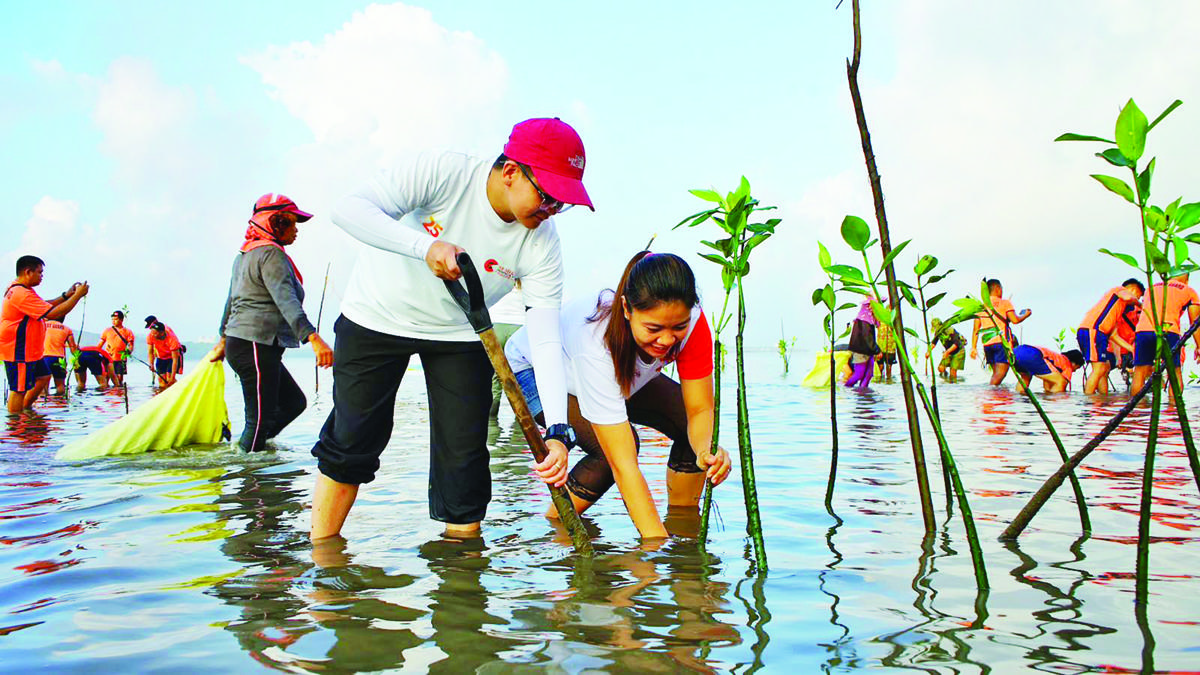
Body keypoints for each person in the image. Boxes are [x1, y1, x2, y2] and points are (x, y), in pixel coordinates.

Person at [310, 118, 593, 542]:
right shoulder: (445, 173)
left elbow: (546, 338)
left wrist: (557, 431)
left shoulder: (542, 242)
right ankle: (325, 560)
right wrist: (425, 247)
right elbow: (348, 210)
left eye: (562, 203)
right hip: (376, 315)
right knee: (353, 442)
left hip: (461, 333)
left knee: (465, 464)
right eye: (548, 196)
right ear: (512, 172)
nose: (552, 210)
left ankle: (460, 587)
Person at [505, 252, 732, 539]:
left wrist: (705, 453)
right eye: (653, 329)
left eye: (678, 327)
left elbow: (699, 410)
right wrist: (655, 550)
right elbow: (623, 464)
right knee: (608, 455)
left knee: (689, 426)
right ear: (626, 309)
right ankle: (557, 528)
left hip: (618, 377)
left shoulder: (694, 324)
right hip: (534, 370)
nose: (666, 340)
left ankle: (683, 523)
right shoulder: (594, 338)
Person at [212, 194, 334, 453]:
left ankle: (252, 451)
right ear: (275, 224)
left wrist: (223, 339)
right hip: (253, 343)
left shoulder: (245, 254)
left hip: (250, 345)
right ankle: (249, 480)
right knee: (258, 421)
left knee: (293, 403)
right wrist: (313, 338)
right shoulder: (269, 254)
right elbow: (286, 300)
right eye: (291, 223)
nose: (296, 230)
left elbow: (230, 300)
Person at [1, 255, 89, 413]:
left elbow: (43, 305)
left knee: (43, 377)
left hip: (30, 350)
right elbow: (53, 313)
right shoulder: (21, 293)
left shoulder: (23, 290)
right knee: (18, 389)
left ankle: (25, 410)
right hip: (18, 349)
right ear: (28, 272)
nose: (42, 276)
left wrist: (66, 296)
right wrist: (77, 295)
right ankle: (15, 425)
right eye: (40, 272)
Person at [1131, 272, 1200, 397]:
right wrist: (1199, 346)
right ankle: (1174, 409)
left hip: (1143, 331)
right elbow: (1195, 324)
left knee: (1139, 372)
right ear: (1187, 279)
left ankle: (1137, 412)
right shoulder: (1189, 291)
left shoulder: (1151, 288)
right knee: (1174, 372)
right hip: (1168, 331)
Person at [1077, 279, 1144, 394]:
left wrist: (1132, 349)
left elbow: (1114, 335)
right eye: (1138, 295)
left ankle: (1102, 399)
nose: (1136, 301)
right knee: (1098, 369)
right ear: (1133, 290)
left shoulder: (1116, 308)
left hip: (1099, 333)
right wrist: (1141, 305)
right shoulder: (1119, 290)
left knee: (1104, 367)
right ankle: (1088, 400)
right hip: (1094, 330)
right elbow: (1128, 298)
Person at [970, 278, 1031, 385]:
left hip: (987, 344)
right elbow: (1015, 320)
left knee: (996, 374)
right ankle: (990, 393)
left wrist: (974, 347)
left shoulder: (981, 307)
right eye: (1001, 289)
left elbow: (976, 329)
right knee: (1000, 374)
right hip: (1001, 342)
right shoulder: (1005, 303)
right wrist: (1026, 315)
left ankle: (995, 399)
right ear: (997, 289)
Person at [487, 283, 525, 418]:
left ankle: (490, 422)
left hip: (495, 328)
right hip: (520, 328)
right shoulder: (528, 284)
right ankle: (522, 424)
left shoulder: (499, 283)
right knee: (520, 376)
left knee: (495, 376)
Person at [1012, 344, 1084, 393]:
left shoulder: (1056, 358)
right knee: (1061, 381)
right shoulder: (1067, 365)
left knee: (1025, 377)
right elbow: (1062, 385)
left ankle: (1019, 400)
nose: (1074, 371)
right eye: (1076, 368)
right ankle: (1053, 407)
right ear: (1074, 363)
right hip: (1034, 354)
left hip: (1017, 351)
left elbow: (1047, 387)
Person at [845, 299, 878, 388]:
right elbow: (867, 337)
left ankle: (863, 392)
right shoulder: (863, 320)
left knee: (869, 374)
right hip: (861, 351)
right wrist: (877, 350)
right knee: (859, 374)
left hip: (868, 351)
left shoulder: (869, 320)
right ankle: (847, 388)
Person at [42, 319, 79, 394]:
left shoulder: (42, 325)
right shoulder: (67, 329)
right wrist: (76, 359)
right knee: (60, 386)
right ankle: (60, 404)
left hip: (45, 358)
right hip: (60, 359)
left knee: (43, 386)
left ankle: (44, 404)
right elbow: (73, 348)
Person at [98, 310, 135, 385]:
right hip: (108, 358)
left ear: (121, 320)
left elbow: (131, 345)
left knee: (119, 379)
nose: (113, 321)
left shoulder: (127, 331)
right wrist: (96, 353)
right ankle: (107, 395)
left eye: (116, 319)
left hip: (120, 359)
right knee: (106, 377)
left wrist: (129, 351)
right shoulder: (107, 331)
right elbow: (100, 344)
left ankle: (119, 394)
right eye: (112, 319)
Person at [931, 318, 966, 383]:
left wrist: (947, 352)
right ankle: (945, 378)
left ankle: (953, 386)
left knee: (952, 372)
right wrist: (928, 351)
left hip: (958, 350)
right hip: (949, 351)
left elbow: (956, 344)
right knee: (941, 368)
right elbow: (934, 342)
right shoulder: (938, 332)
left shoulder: (949, 330)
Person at [875, 304, 897, 380]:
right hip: (881, 347)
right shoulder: (881, 319)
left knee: (887, 368)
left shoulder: (893, 320)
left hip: (890, 347)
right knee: (882, 368)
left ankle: (887, 382)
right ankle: (883, 382)